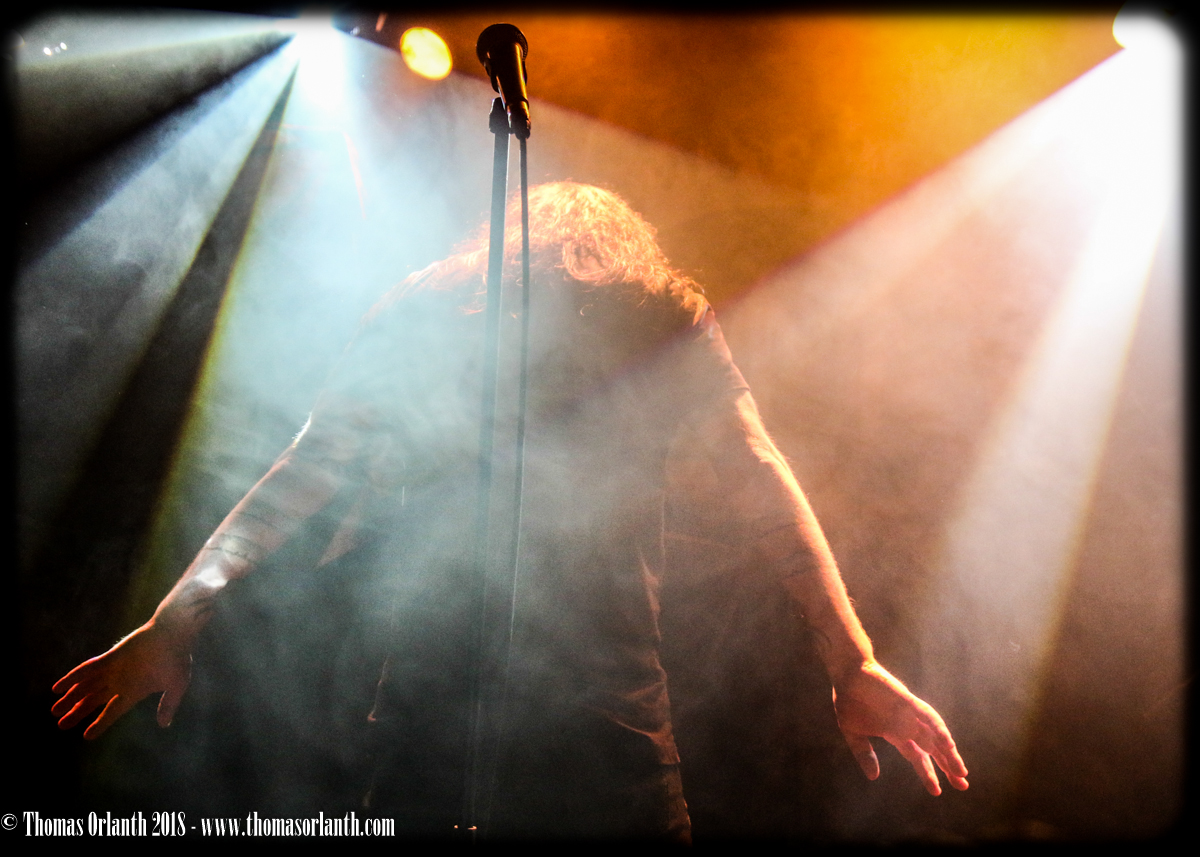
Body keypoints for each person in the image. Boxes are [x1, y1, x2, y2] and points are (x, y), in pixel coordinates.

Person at [52, 182, 968, 840]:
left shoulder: (433, 300)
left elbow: (305, 470)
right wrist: (853, 658)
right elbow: (761, 474)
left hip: (427, 723)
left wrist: (180, 613)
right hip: (610, 739)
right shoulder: (660, 311)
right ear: (624, 247)